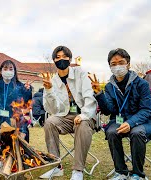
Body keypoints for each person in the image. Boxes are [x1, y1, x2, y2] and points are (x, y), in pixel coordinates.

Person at [89, 48, 151, 180]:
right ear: (110, 67)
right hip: (119, 120)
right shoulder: (109, 87)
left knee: (137, 133)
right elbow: (109, 110)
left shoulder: (142, 84)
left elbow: (147, 110)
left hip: (142, 121)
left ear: (128, 64)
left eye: (121, 62)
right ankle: (121, 172)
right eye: (113, 64)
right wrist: (99, 94)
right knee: (111, 132)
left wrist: (130, 123)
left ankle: (138, 174)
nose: (117, 67)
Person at [40, 46, 97, 180]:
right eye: (57, 57)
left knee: (82, 124)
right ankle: (55, 165)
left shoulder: (80, 73)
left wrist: (83, 115)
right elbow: (53, 110)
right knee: (49, 122)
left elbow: (89, 97)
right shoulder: (52, 80)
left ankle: (78, 170)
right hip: (65, 116)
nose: (61, 59)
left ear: (70, 59)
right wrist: (48, 91)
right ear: (54, 60)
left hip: (85, 115)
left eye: (64, 56)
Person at [0, 60, 32, 152]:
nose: (8, 71)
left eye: (10, 69)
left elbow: (26, 105)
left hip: (16, 119)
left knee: (22, 130)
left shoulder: (21, 86)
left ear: (14, 71)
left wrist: (27, 91)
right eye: (5, 69)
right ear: (1, 71)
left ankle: (19, 154)